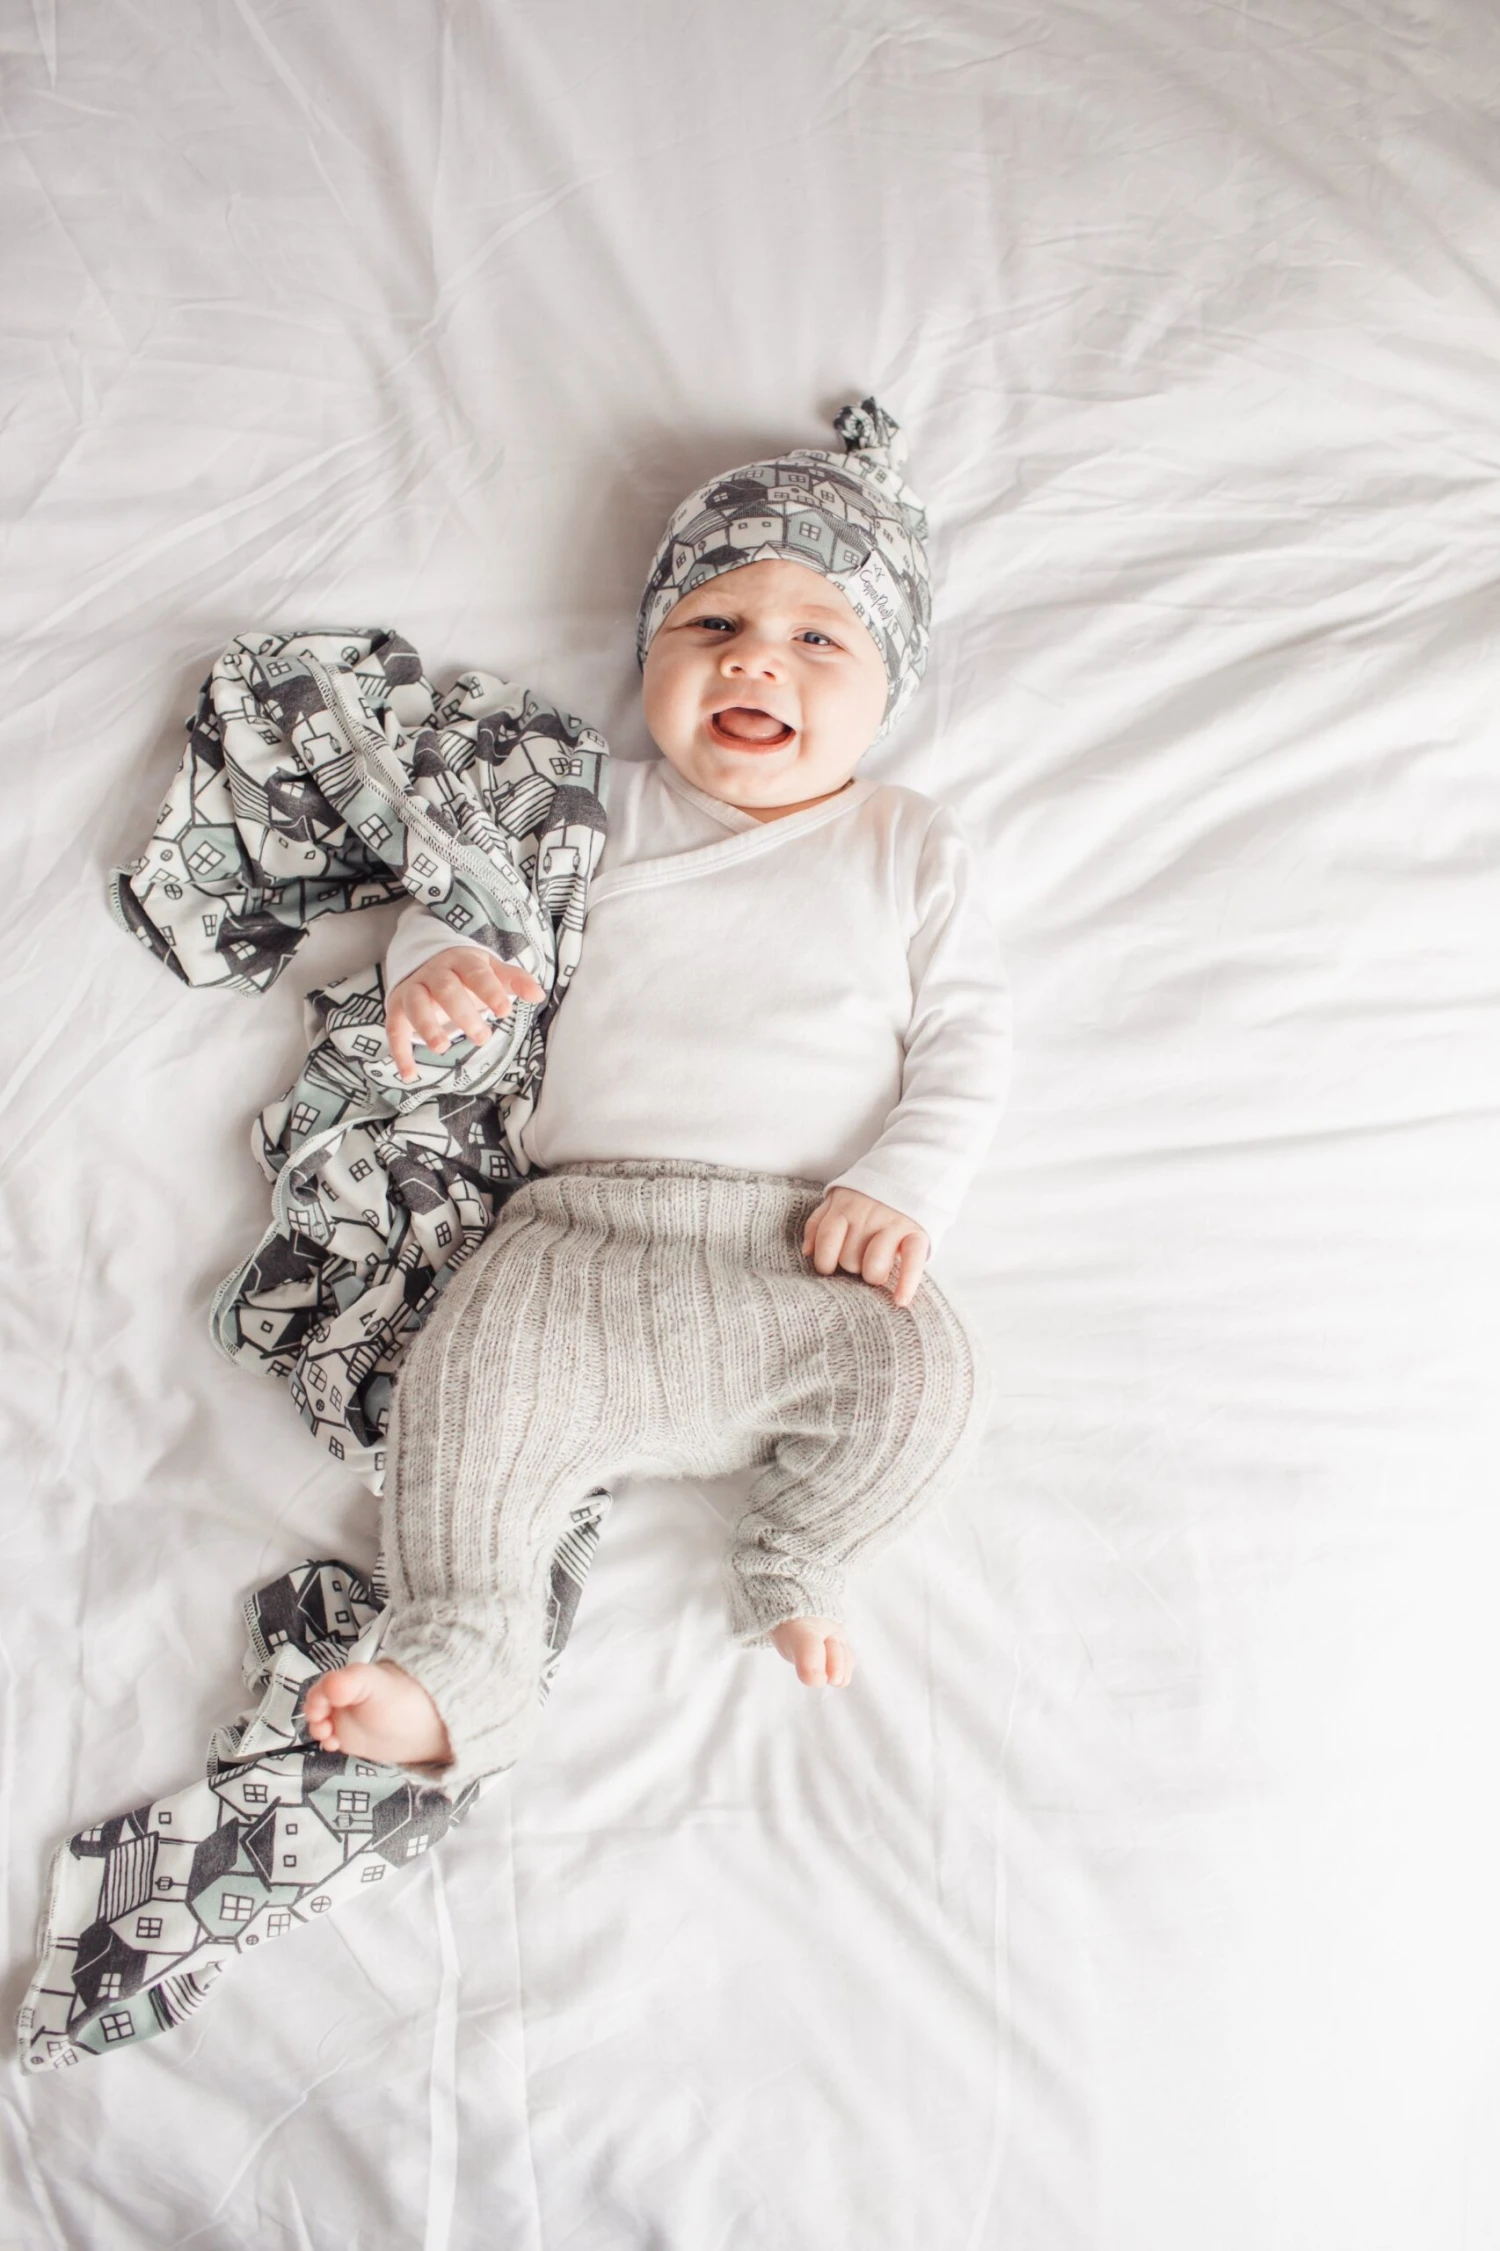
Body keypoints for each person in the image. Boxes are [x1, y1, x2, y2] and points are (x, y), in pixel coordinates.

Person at [303, 399, 1010, 1789]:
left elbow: (970, 1041)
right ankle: (461, 1661)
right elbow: (475, 900)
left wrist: (902, 1187)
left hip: (803, 1254)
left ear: (890, 687)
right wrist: (434, 970)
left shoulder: (907, 841)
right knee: (465, 1396)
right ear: (650, 657)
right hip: (573, 1250)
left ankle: (802, 1549)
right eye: (711, 623)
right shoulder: (593, 807)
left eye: (820, 638)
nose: (755, 657)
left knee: (932, 1375)